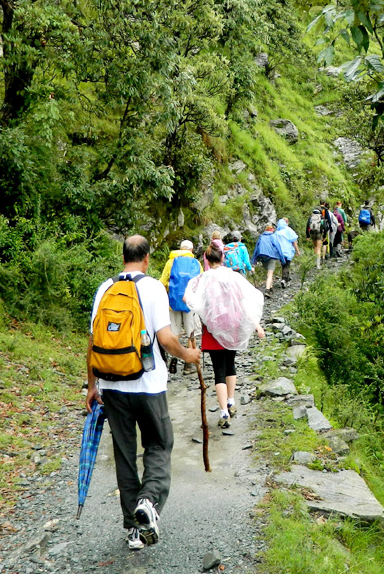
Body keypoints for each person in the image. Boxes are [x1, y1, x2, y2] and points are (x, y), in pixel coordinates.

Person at [86, 235, 201, 551]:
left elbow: (93, 342)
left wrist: (92, 385)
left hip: (111, 386)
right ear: (147, 259)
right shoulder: (152, 288)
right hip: (148, 385)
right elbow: (165, 339)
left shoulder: (104, 289)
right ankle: (148, 504)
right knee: (160, 443)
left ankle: (133, 530)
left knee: (124, 455)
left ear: (123, 257)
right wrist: (188, 356)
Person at [185, 245, 265, 428]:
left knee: (218, 371)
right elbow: (245, 300)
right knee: (231, 365)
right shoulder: (233, 276)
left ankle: (223, 412)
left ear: (206, 259)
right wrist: (256, 325)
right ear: (222, 258)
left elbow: (187, 299)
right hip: (233, 326)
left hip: (213, 330)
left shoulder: (202, 279)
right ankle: (231, 402)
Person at [159, 240, 202, 374]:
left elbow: (163, 281)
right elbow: (201, 282)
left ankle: (173, 356)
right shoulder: (196, 263)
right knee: (191, 332)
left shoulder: (171, 262)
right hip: (189, 303)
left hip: (173, 303)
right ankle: (189, 365)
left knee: (174, 332)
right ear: (191, 250)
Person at [251, 225, 286, 297]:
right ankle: (267, 290)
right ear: (272, 230)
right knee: (270, 274)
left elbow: (256, 249)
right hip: (272, 257)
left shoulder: (261, 237)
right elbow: (278, 247)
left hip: (262, 257)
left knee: (269, 273)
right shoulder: (273, 236)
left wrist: (253, 262)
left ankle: (271, 288)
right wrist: (282, 260)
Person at [273, 217, 299, 287]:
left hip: (279, 252)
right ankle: (284, 279)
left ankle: (287, 278)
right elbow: (294, 241)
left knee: (283, 265)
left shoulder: (277, 232)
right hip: (287, 250)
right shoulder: (288, 230)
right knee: (287, 265)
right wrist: (297, 251)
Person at [306, 201, 328, 269]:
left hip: (312, 233)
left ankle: (314, 262)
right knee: (318, 248)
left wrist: (308, 236)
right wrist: (324, 236)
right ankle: (318, 265)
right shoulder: (321, 217)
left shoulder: (311, 217)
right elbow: (325, 227)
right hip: (319, 233)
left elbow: (307, 226)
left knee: (315, 247)